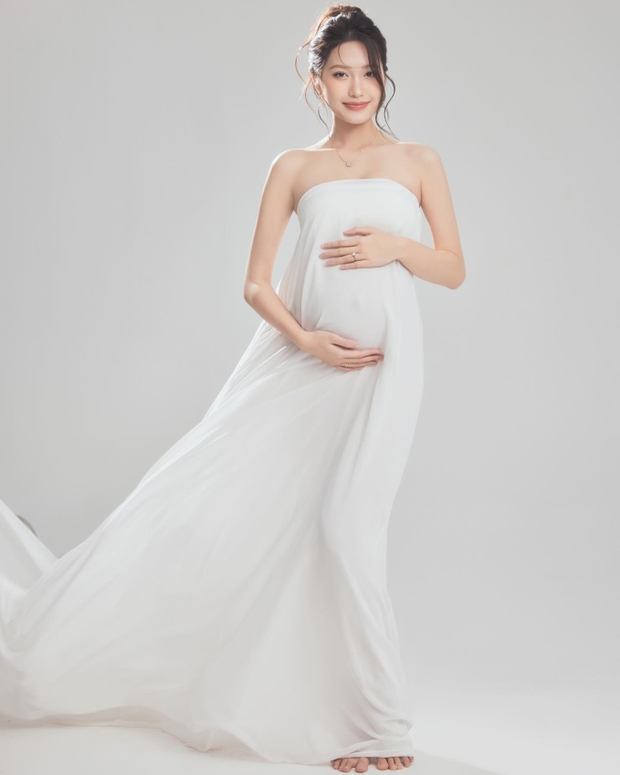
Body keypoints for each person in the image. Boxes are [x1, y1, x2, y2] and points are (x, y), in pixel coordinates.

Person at [0, 4, 465, 773]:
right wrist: (308, 341)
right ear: (316, 81)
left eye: (369, 73)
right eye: (340, 73)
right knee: (242, 519)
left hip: (386, 370)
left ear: (385, 77)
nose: (356, 88)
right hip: (306, 367)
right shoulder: (294, 167)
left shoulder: (419, 160)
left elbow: (452, 267)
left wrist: (395, 246)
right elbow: (255, 284)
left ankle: (379, 723)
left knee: (346, 530)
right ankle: (352, 720)